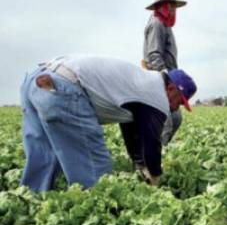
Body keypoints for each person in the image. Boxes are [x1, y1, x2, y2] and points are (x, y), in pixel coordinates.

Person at [19, 55, 196, 192]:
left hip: (37, 80)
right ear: (171, 88)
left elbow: (129, 127)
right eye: (179, 102)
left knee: (44, 154)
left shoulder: (143, 83)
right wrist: (155, 174)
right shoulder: (157, 96)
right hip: (63, 87)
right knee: (95, 170)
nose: (175, 109)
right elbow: (151, 142)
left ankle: (31, 205)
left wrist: (140, 163)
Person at [143, 0, 187, 145]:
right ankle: (153, 162)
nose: (173, 9)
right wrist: (166, 80)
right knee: (166, 122)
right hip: (159, 80)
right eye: (170, 5)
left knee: (175, 117)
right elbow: (154, 55)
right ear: (161, 6)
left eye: (174, 6)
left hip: (166, 79)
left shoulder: (164, 24)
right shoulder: (157, 24)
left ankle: (156, 154)